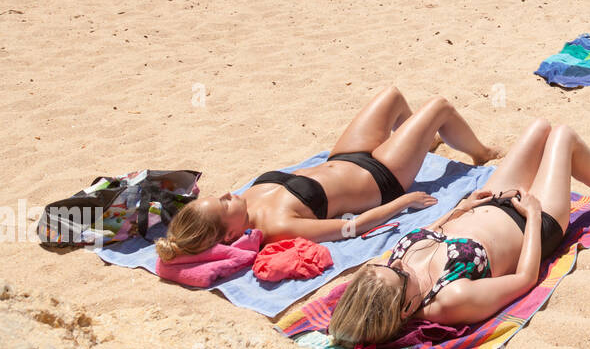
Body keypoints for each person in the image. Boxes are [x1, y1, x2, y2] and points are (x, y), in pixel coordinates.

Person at [327, 120, 590, 345]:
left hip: (489, 200)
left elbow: (432, 231)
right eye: (400, 273)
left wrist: (462, 207)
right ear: (408, 308)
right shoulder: (450, 299)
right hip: (536, 223)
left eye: (387, 265)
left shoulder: (390, 274)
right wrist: (533, 215)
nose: (396, 263)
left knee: (540, 128)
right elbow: (524, 280)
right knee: (563, 136)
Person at [154, 88, 502, 260]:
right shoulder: (277, 227)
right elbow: (351, 227)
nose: (230, 194)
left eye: (221, 195)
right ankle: (480, 153)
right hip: (383, 177)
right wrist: (404, 203)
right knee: (439, 107)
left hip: (345, 156)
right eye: (224, 203)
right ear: (230, 236)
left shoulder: (247, 201)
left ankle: (421, 147)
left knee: (392, 96)